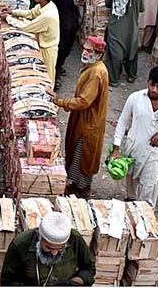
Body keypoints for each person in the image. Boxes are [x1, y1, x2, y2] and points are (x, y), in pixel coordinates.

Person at [49, 36, 110, 199]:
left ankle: (82, 189)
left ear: (98, 55)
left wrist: (60, 102)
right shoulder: (92, 67)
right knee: (78, 153)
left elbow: (84, 100)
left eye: (89, 51)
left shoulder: (96, 72)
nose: (84, 52)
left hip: (89, 123)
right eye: (84, 48)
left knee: (83, 155)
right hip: (83, 119)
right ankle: (76, 185)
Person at [109, 66, 158, 204]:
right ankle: (131, 203)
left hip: (155, 153)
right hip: (135, 148)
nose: (154, 90)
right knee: (132, 182)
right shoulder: (135, 98)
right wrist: (116, 148)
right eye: (152, 85)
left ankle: (145, 215)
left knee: (148, 187)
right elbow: (123, 122)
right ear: (148, 81)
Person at [0, 212, 96, 286]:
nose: (54, 253)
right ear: (38, 235)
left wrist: (72, 283)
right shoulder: (20, 244)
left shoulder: (75, 239)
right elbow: (7, 280)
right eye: (48, 247)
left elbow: (89, 269)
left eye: (60, 248)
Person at [0, 0, 60, 85]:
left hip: (48, 49)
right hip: (42, 43)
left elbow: (26, 27)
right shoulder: (44, 6)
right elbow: (30, 13)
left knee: (48, 76)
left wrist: (8, 18)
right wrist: (13, 12)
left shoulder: (48, 15)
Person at [104, 0, 145, 87]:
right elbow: (142, 8)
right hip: (132, 25)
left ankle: (114, 79)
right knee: (132, 50)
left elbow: (107, 4)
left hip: (116, 25)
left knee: (115, 52)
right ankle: (131, 75)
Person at [53, 0, 84, 88]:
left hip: (73, 21)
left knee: (67, 48)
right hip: (61, 22)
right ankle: (55, 73)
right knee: (59, 48)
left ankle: (60, 65)